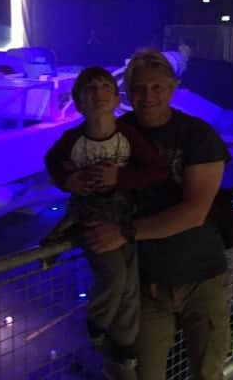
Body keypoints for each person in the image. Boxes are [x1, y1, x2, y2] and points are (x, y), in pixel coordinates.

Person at [85, 49, 231, 380]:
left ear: (172, 87)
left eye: (156, 87)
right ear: (127, 92)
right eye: (138, 88)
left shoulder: (197, 135)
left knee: (208, 373)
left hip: (202, 279)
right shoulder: (114, 134)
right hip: (145, 285)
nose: (147, 96)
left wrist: (123, 232)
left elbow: (194, 213)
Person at [43, 66, 169, 380]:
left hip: (125, 216)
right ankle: (96, 323)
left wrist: (121, 178)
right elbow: (52, 162)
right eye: (90, 89)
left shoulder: (128, 135)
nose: (98, 94)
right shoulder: (73, 139)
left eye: (105, 87)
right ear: (78, 102)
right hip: (92, 216)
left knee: (129, 285)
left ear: (115, 98)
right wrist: (68, 181)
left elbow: (157, 170)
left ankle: (123, 346)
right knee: (114, 275)